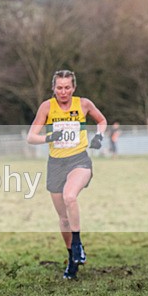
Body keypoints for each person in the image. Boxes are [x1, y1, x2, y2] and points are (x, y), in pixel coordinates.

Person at [27, 70, 107, 280]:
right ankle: (72, 258)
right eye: (59, 88)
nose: (63, 92)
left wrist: (99, 137)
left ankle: (78, 243)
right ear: (54, 88)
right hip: (56, 164)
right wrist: (50, 137)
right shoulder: (47, 107)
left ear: (74, 88)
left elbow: (101, 121)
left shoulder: (83, 104)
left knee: (69, 196)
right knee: (63, 217)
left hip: (79, 160)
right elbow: (31, 137)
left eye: (67, 87)